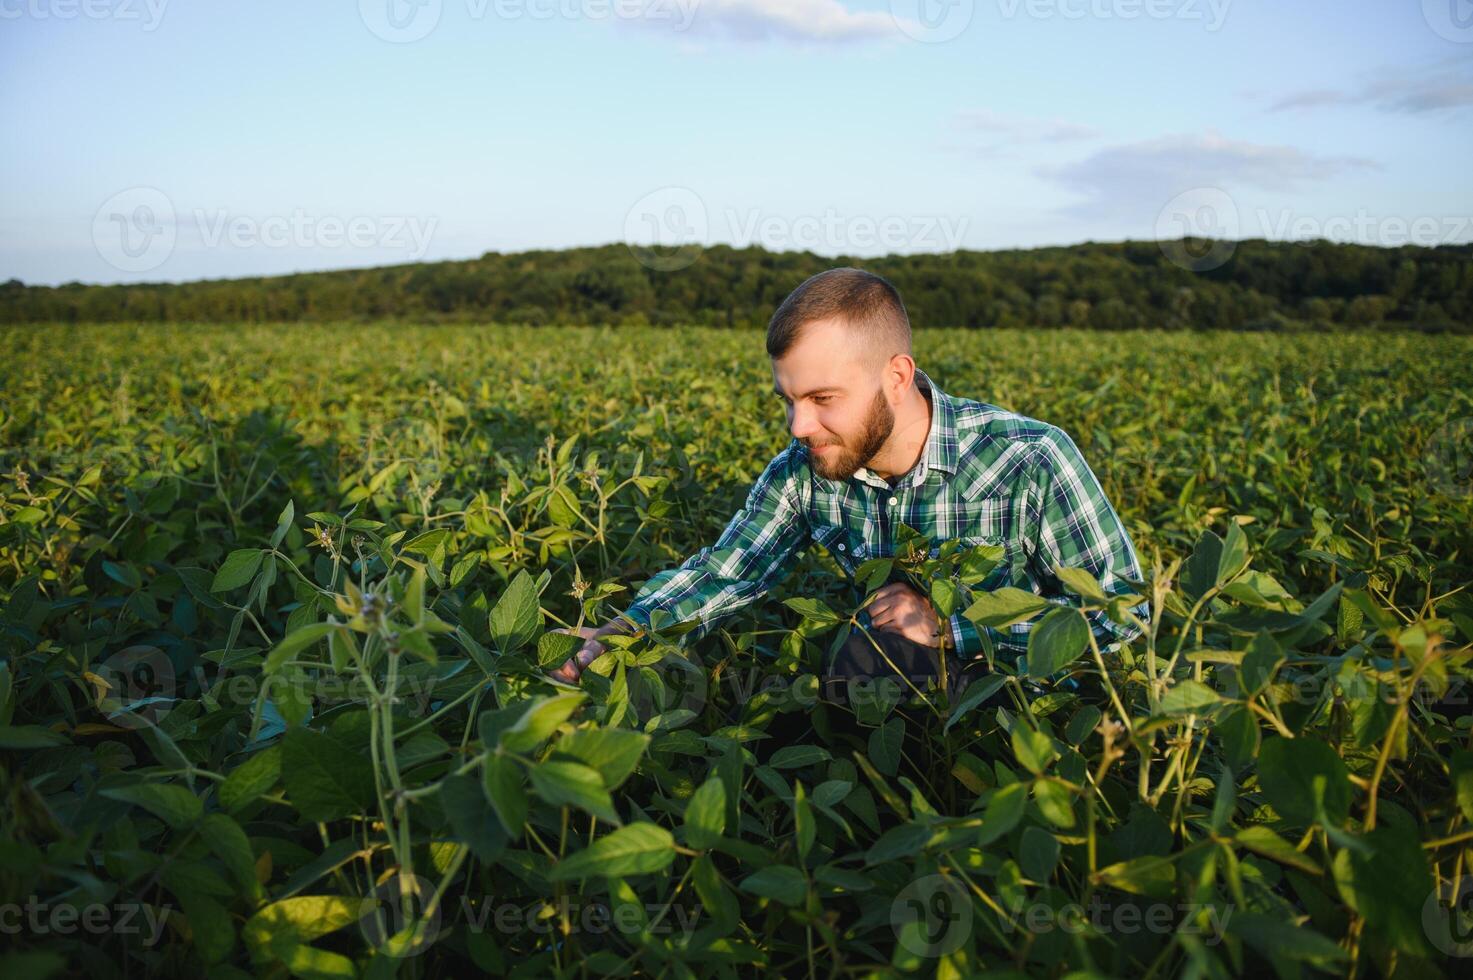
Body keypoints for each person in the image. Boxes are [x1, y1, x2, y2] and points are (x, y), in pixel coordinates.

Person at [550, 267, 1148, 720]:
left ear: (896, 378)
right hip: (886, 699)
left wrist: (951, 628)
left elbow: (1126, 619)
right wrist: (618, 635)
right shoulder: (805, 470)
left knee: (873, 657)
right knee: (836, 667)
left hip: (1038, 714)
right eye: (789, 400)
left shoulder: (1029, 459)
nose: (798, 426)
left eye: (822, 399)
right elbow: (727, 574)